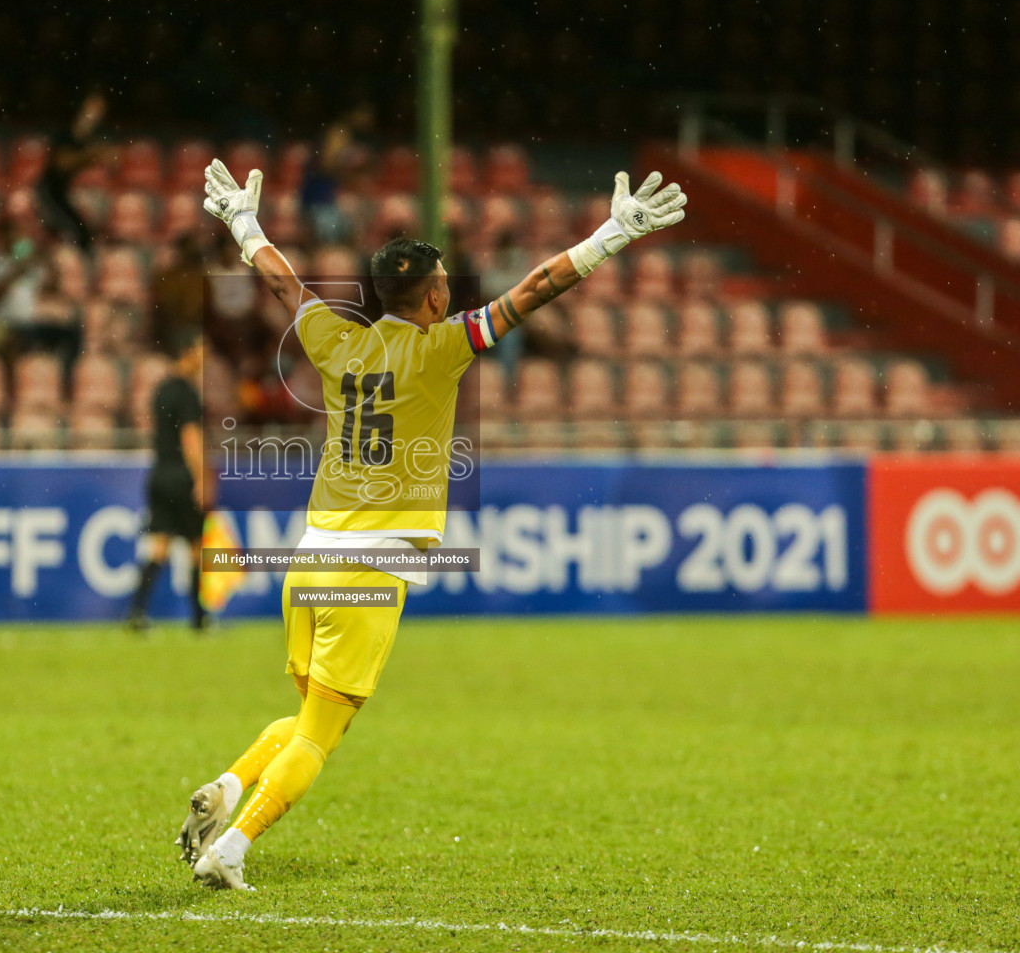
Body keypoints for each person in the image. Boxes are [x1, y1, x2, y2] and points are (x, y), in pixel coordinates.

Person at [177, 160, 687, 890]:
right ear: (437, 292)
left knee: (313, 714)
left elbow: (282, 282)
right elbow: (535, 289)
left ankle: (226, 787)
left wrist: (239, 222)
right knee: (323, 733)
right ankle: (232, 848)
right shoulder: (443, 347)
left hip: (310, 556)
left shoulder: (333, 338)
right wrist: (611, 234)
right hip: (370, 568)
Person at [127, 328, 209, 631]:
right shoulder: (187, 393)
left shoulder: (161, 389)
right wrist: (201, 478)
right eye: (201, 350)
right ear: (187, 352)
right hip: (181, 476)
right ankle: (199, 620)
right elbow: (190, 438)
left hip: (159, 473)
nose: (205, 357)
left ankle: (137, 612)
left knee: (159, 546)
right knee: (197, 547)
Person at [36, 88, 112, 251]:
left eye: (100, 109)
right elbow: (63, 162)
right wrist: (93, 155)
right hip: (49, 193)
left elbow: (113, 157)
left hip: (63, 193)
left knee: (83, 234)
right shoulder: (65, 132)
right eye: (92, 107)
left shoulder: (89, 136)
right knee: (76, 233)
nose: (96, 114)